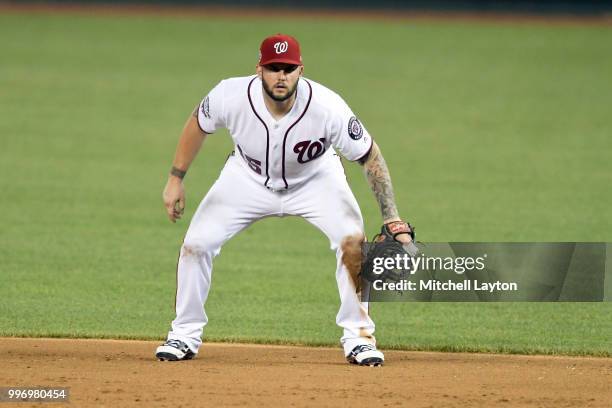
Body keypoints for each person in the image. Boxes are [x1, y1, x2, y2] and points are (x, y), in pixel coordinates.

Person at [155, 34, 413, 366]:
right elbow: (198, 123)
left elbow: (370, 156)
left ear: (300, 70)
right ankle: (184, 334)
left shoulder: (328, 106)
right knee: (197, 244)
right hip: (246, 178)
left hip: (316, 180)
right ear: (259, 69)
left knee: (353, 242)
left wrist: (392, 217)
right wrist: (175, 178)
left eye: (288, 69)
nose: (281, 76)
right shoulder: (230, 95)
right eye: (274, 68)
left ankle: (359, 338)